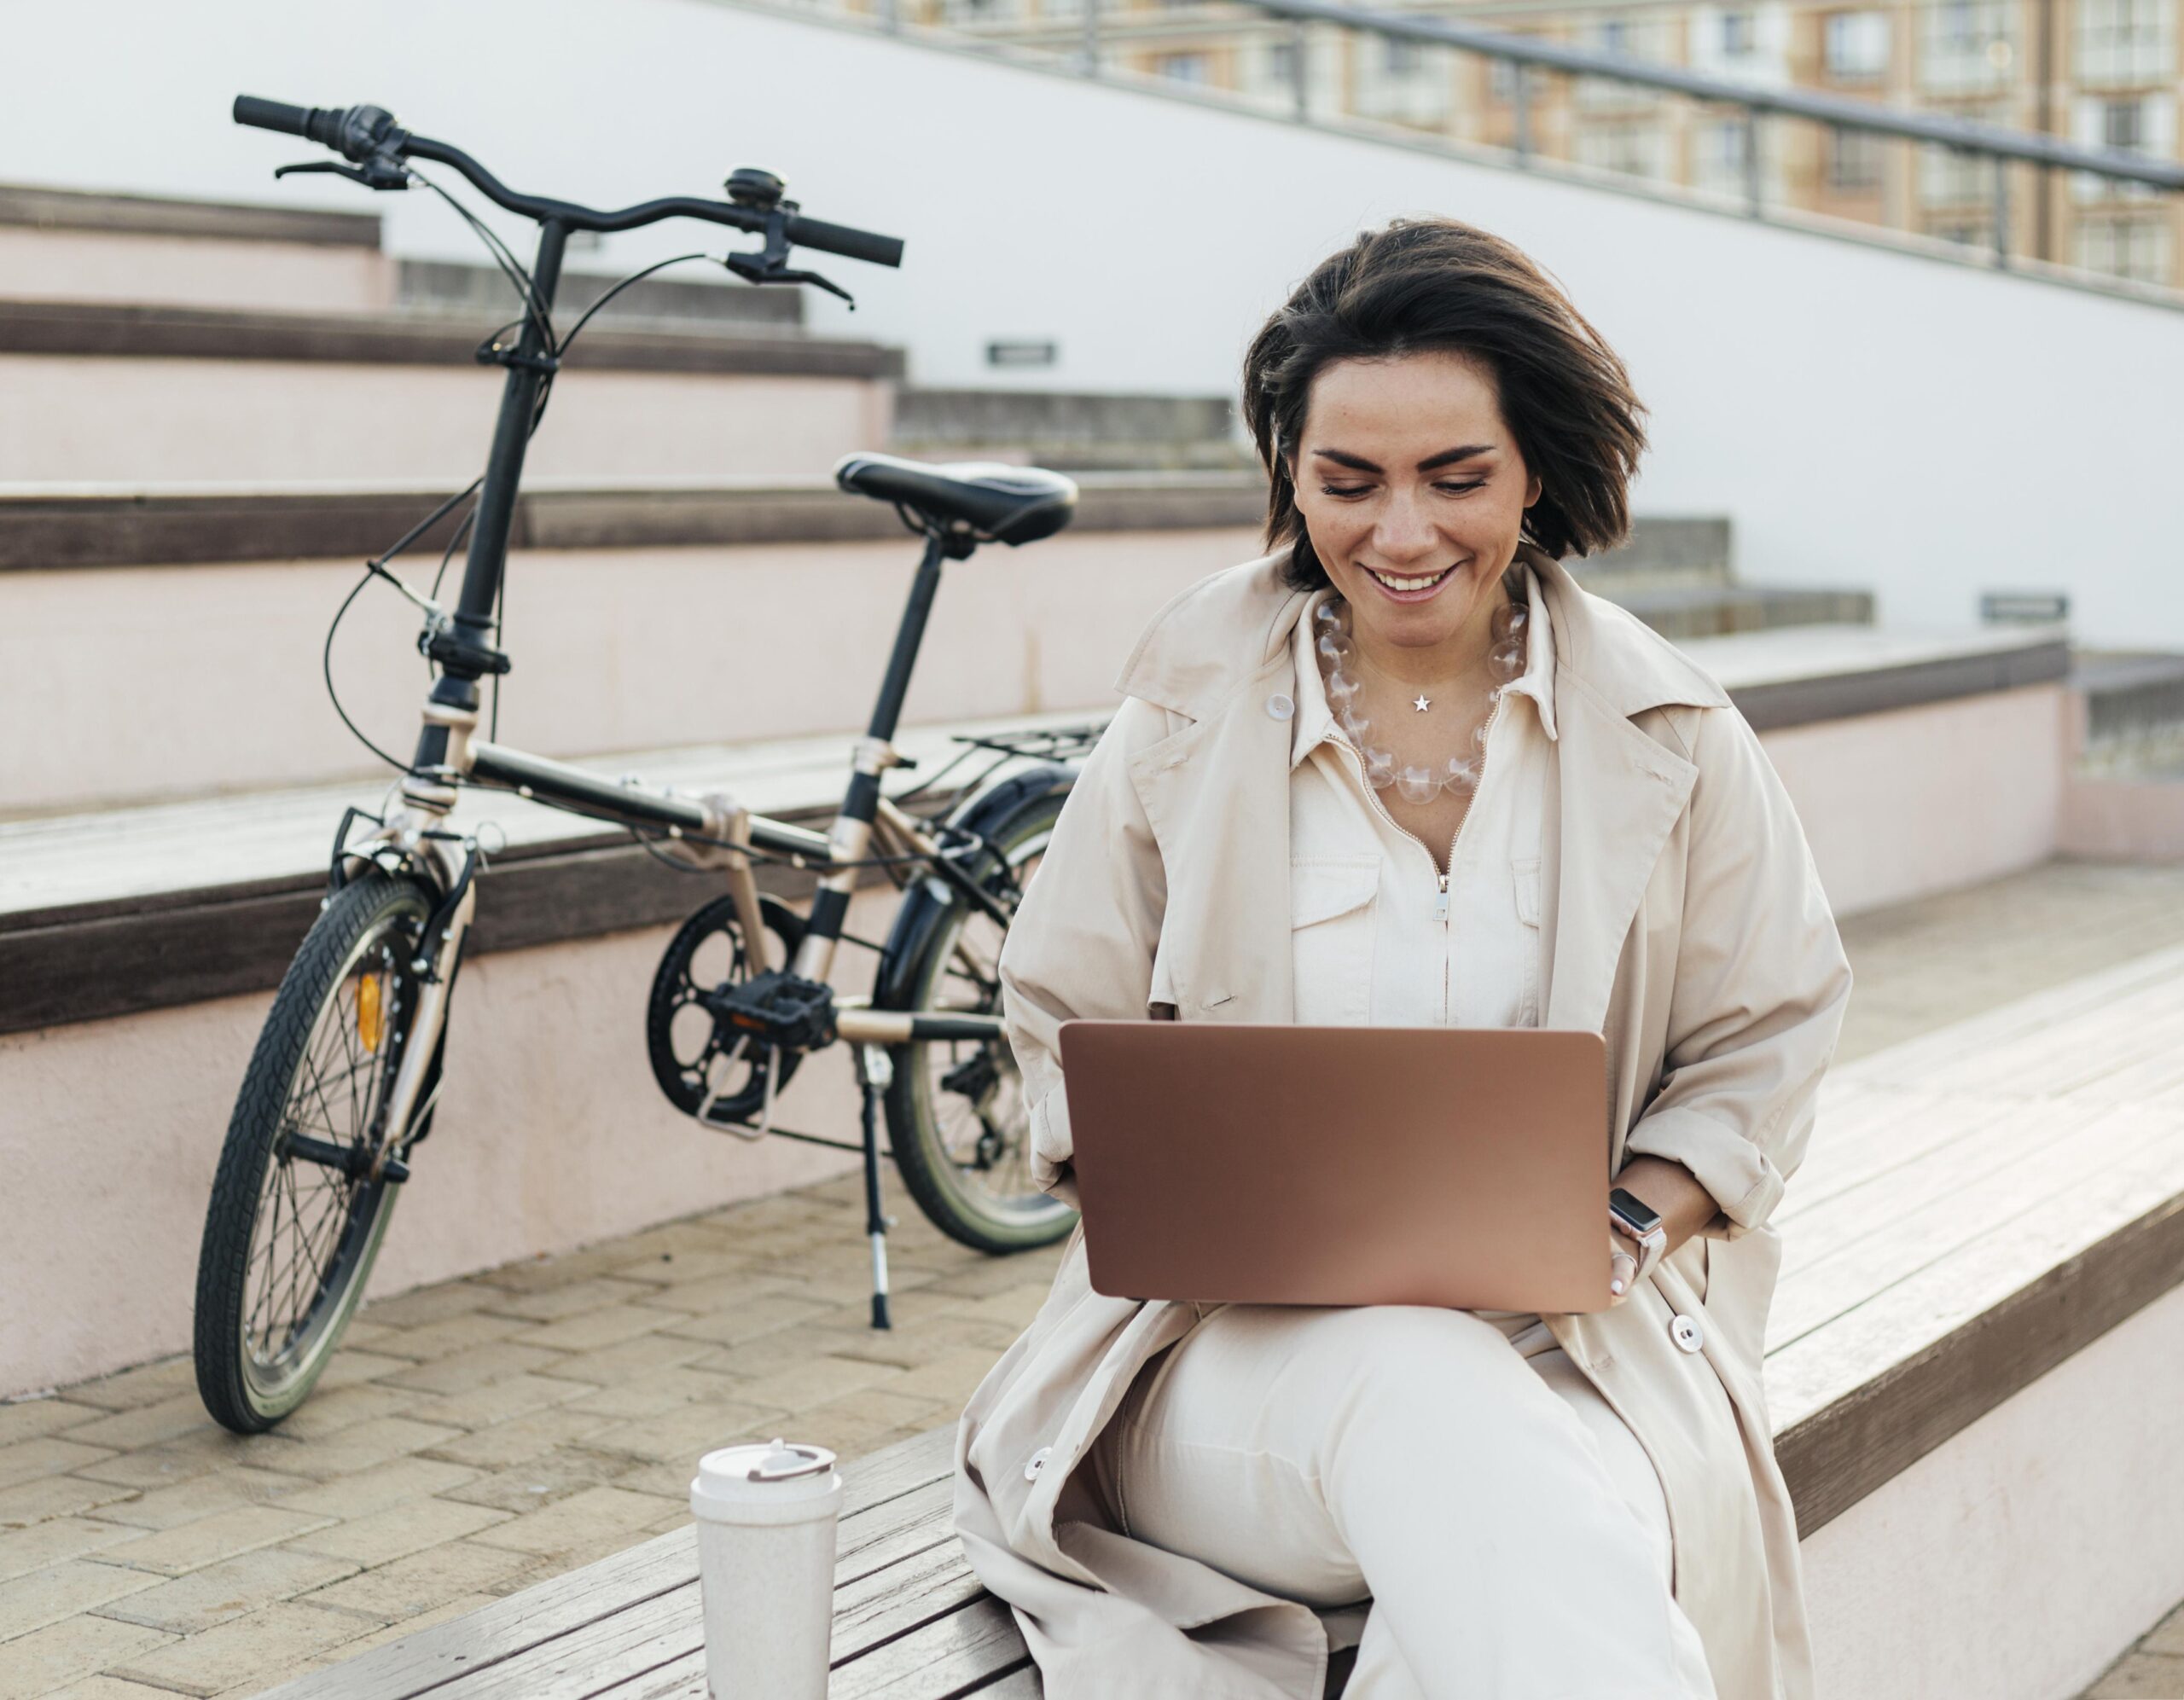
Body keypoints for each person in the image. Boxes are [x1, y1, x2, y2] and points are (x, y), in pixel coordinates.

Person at [952, 217, 1852, 1698]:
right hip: (1223, 1369)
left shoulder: (1675, 734)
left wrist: (1620, 1224)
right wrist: (1150, 1177)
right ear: (1289, 477)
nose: (1403, 532)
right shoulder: (1180, 714)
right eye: (1347, 480)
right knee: (1447, 1418)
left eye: (1457, 477)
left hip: (1579, 1353)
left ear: (1537, 473)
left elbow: (1769, 1031)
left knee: (1529, 1558)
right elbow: (1063, 1015)